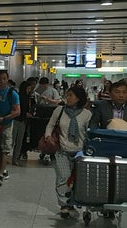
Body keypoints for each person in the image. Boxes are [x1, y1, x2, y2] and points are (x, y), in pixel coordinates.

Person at [44, 86, 91, 219]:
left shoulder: (87, 114)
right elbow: (50, 125)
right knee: (63, 177)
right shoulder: (59, 110)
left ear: (79, 98)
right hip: (61, 150)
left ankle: (73, 201)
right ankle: (64, 204)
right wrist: (48, 136)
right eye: (67, 95)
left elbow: (89, 134)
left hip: (80, 153)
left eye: (71, 95)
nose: (67, 97)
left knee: (77, 179)